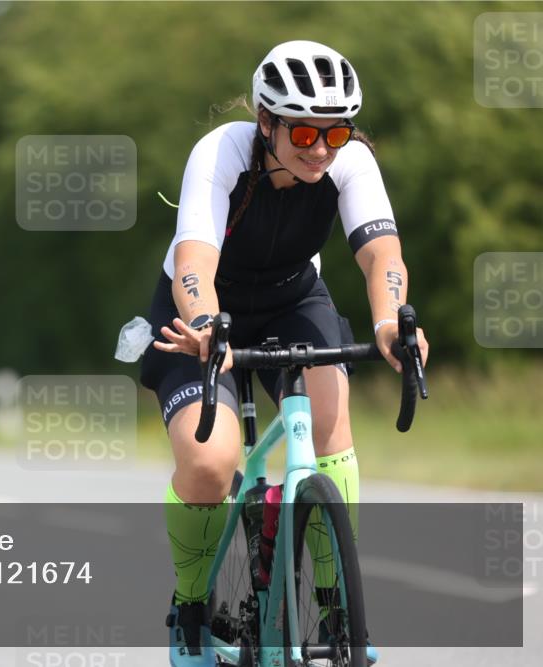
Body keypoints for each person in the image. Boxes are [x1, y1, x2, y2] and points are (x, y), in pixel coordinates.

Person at [140, 41, 429, 666]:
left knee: (331, 421)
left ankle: (335, 602)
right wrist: (207, 325)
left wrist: (387, 322)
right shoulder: (220, 153)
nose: (321, 148)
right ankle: (191, 605)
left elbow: (382, 256)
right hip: (199, 310)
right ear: (266, 122)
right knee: (210, 463)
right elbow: (194, 263)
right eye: (303, 130)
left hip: (293, 299)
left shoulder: (351, 162)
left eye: (336, 131)